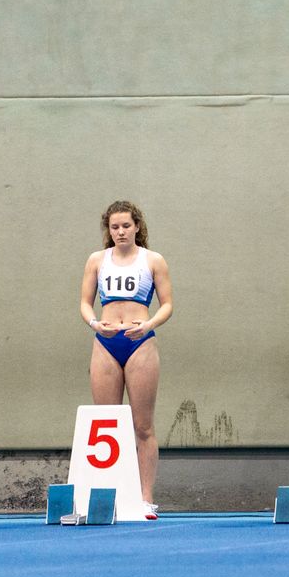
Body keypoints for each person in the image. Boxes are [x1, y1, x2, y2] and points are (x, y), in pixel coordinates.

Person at [78, 200, 173, 519]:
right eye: (115, 227)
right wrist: (94, 324)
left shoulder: (153, 260)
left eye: (126, 226)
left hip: (140, 341)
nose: (120, 232)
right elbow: (84, 303)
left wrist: (149, 324)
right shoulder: (96, 260)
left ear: (137, 227)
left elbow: (167, 304)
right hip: (106, 342)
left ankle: (146, 498)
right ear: (108, 229)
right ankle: (109, 494)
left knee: (143, 425)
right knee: (107, 422)